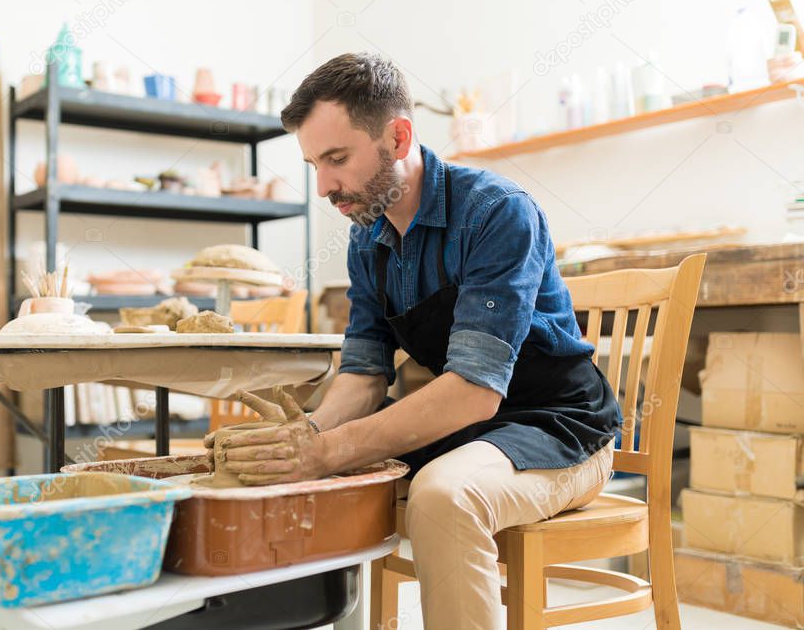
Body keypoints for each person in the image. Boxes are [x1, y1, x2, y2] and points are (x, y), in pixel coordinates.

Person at [220, 52, 622, 629]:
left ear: (399, 137)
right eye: (313, 164)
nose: (324, 188)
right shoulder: (368, 236)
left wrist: (330, 449)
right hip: (473, 432)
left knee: (442, 496)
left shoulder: (496, 213)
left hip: (558, 429)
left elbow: (472, 394)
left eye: (337, 159)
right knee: (308, 470)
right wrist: (305, 437)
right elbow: (362, 378)